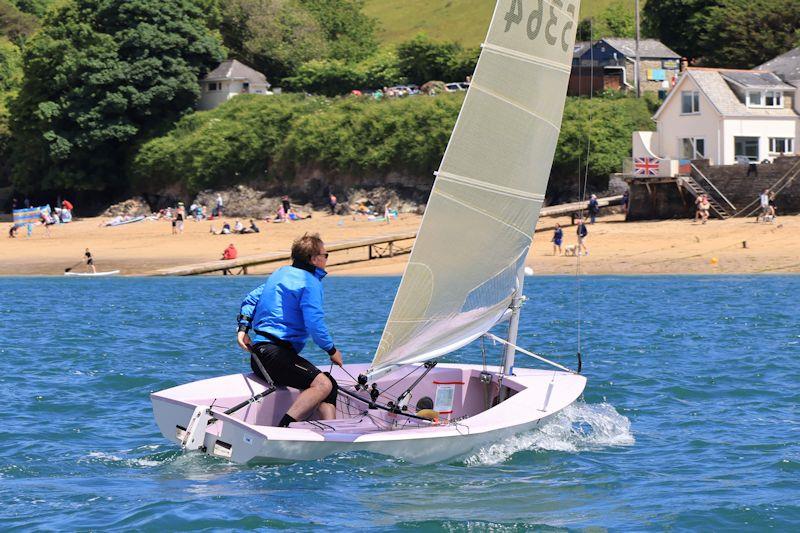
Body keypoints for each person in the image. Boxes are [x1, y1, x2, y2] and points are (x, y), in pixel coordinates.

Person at [236, 233, 343, 427]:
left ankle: (332, 433)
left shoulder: (280, 273)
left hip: (261, 357)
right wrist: (331, 350)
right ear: (314, 259)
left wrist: (243, 328)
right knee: (322, 384)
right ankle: (284, 428)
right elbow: (314, 323)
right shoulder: (310, 283)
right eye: (325, 255)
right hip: (274, 356)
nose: (327, 259)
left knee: (330, 385)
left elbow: (251, 299)